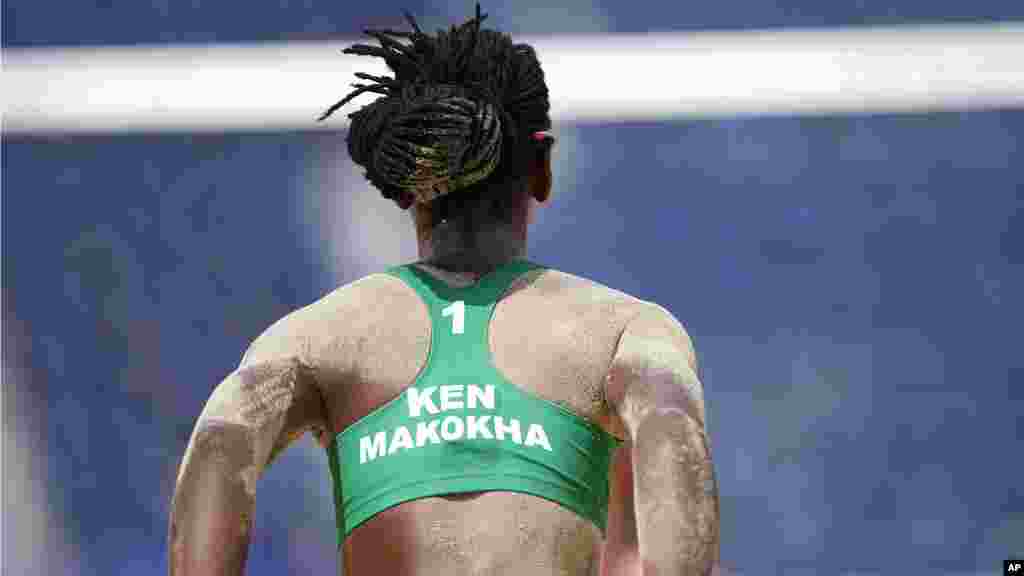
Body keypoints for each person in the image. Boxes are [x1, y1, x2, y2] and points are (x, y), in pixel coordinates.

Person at [168, 5, 719, 575]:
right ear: (542, 169)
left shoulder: (323, 337)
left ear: (407, 188)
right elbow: (671, 431)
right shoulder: (618, 329)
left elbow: (221, 444)